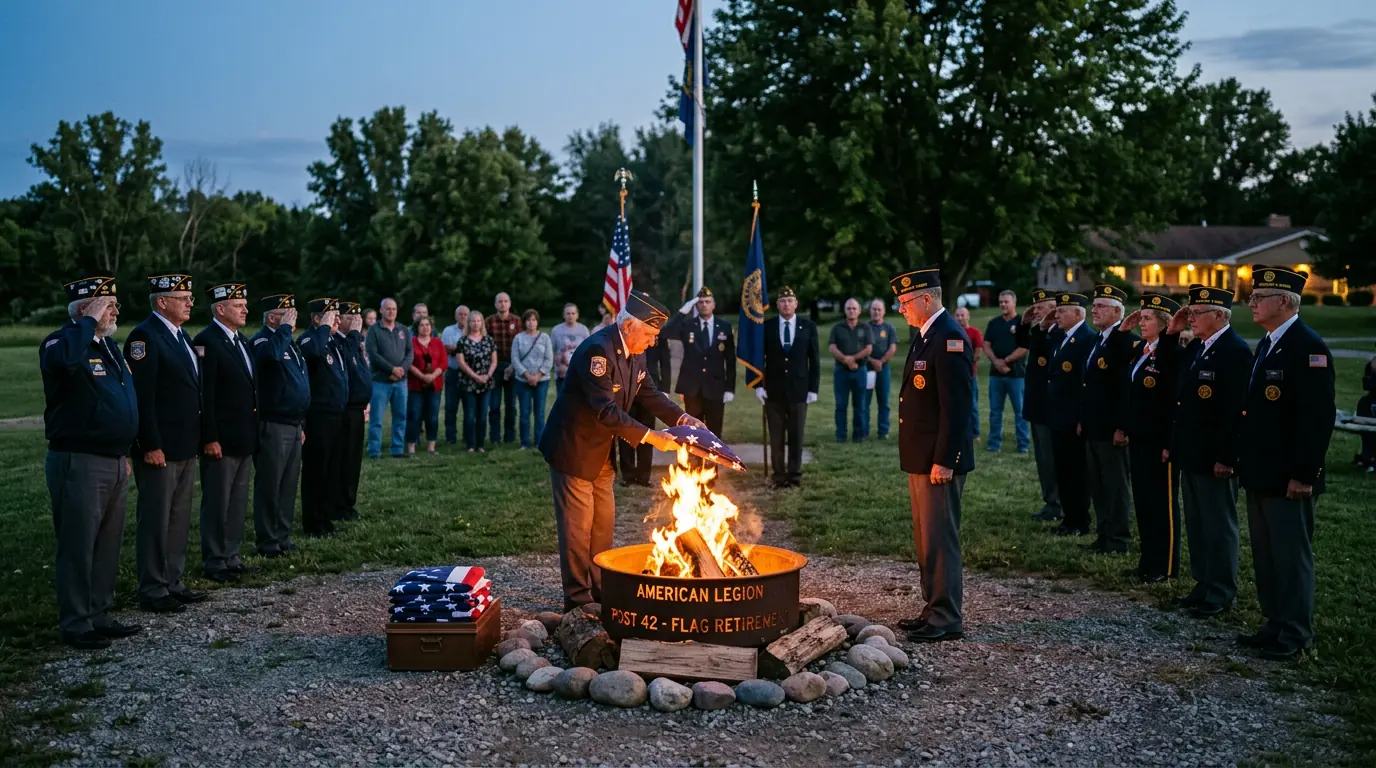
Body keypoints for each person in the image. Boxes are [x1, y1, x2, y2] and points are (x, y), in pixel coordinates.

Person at [538, 289, 703, 610]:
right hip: (574, 450)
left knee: (603, 524)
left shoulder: (635, 350)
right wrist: (655, 438)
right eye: (651, 334)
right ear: (629, 327)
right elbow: (605, 411)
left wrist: (682, 418)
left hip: (601, 454)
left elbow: (649, 392)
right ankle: (577, 599)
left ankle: (601, 588)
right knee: (577, 529)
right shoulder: (596, 353)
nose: (654, 342)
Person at [1236, 266, 1335, 660]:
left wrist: (1303, 474)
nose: (1252, 303)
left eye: (1260, 297)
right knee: (1266, 554)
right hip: (1262, 471)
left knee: (1291, 557)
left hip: (1287, 476)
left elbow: (1316, 418)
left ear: (1285, 301)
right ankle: (1275, 622)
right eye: (1253, 296)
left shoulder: (1306, 347)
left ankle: (1296, 633)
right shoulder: (1269, 344)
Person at [41, 276, 141, 649]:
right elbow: (63, 361)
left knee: (107, 543)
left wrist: (125, 449)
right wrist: (85, 324)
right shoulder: (61, 341)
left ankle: (99, 612)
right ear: (84, 308)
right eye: (107, 304)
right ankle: (76, 622)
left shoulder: (109, 346)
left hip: (114, 458)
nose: (114, 309)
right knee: (79, 543)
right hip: (79, 460)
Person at [889, 266, 974, 643]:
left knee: (941, 538)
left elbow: (957, 408)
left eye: (905, 302)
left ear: (927, 298)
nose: (900, 309)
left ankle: (946, 616)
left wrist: (946, 459)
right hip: (921, 457)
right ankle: (932, 608)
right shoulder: (927, 335)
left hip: (938, 460)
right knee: (926, 539)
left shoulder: (949, 338)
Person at [1160, 283, 1250, 619]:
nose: (1191, 318)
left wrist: (1227, 457)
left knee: (1218, 524)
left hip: (1215, 456)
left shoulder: (1234, 351)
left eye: (1197, 313)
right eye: (1190, 312)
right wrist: (1172, 332)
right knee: (1197, 523)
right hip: (1192, 453)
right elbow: (1170, 370)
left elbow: (1235, 411)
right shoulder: (1200, 347)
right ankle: (1203, 582)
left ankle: (1222, 590)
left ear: (1219, 315)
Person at [125, 273, 207, 613]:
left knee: (177, 518)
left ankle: (172, 580)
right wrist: (150, 443)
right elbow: (143, 398)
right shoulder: (144, 337)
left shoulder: (180, 335)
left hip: (184, 444)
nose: (190, 302)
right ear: (161, 301)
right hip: (161, 447)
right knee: (156, 519)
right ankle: (153, 587)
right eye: (182, 297)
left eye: (189, 296)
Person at [1113, 294, 1186, 583]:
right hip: (1140, 438)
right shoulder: (1142, 351)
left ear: (1164, 323)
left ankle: (1165, 565)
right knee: (1143, 501)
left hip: (1159, 442)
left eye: (1147, 318)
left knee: (1162, 504)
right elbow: (1114, 360)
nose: (1140, 323)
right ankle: (1148, 560)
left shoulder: (1171, 354)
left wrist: (1170, 443)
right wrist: (1122, 329)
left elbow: (1172, 402)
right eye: (1140, 318)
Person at [192, 283, 259, 583]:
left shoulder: (240, 341)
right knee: (218, 502)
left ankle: (231, 555)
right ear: (220, 309)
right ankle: (215, 559)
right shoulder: (207, 341)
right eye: (238, 304)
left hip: (243, 437)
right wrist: (210, 437)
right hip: (221, 439)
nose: (245, 308)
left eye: (244, 303)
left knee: (236, 502)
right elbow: (205, 395)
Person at [250, 294, 308, 557]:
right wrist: (283, 329)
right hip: (273, 424)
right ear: (273, 317)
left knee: (287, 485)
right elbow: (270, 357)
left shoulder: (290, 343)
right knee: (270, 484)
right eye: (288, 314)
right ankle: (267, 540)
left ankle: (283, 535)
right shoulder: (264, 340)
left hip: (294, 424)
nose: (293, 319)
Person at [1079, 285, 1135, 555]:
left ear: (1117, 311)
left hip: (1112, 427)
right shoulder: (1097, 339)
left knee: (1115, 485)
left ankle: (1118, 538)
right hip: (1094, 425)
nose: (1094, 309)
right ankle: (1103, 535)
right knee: (1098, 484)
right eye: (1094, 305)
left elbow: (1125, 388)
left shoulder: (1125, 341)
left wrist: (1122, 427)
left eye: (1100, 305)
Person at [1042, 292, 1096, 537]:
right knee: (1062, 468)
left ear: (1078, 314)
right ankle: (1068, 517)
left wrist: (1081, 417)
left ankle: (1079, 520)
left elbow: (1084, 383)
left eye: (1063, 311)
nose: (1057, 315)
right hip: (1057, 414)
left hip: (1072, 416)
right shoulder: (1060, 337)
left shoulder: (1086, 339)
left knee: (1076, 471)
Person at [760, 286, 821, 488]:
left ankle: (794, 475)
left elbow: (814, 359)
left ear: (796, 304)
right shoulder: (767, 326)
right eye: (782, 301)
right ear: (777, 305)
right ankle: (778, 476)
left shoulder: (808, 326)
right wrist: (759, 386)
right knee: (776, 437)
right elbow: (759, 358)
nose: (786, 304)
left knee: (796, 436)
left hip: (799, 390)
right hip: (774, 390)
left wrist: (813, 388)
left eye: (790, 301)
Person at [298, 299, 348, 536]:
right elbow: (312, 353)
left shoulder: (331, 341)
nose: (336, 320)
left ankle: (326, 518)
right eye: (330, 316)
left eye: (337, 316)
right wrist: (324, 328)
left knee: (331, 470)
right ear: (317, 319)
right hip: (318, 416)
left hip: (335, 414)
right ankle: (314, 522)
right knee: (316, 471)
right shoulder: (311, 338)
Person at [663, 286, 736, 437]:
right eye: (700, 302)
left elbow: (730, 360)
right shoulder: (688, 325)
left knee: (715, 431)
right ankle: (694, 461)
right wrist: (682, 312)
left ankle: (713, 461)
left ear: (713, 305)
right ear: (696, 306)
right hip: (692, 388)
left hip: (715, 387)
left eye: (707, 301)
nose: (704, 305)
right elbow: (665, 332)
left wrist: (730, 388)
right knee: (693, 434)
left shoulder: (724, 326)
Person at [1019, 289, 1063, 520]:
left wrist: (1041, 328)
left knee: (1052, 458)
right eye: (1034, 307)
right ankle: (1050, 500)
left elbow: (1040, 347)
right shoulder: (1039, 331)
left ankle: (1058, 503)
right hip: (1037, 407)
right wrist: (1025, 323)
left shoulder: (1059, 334)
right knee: (1043, 459)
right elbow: (1023, 343)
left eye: (1041, 307)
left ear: (1054, 309)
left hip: (1051, 409)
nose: (1036, 311)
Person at [620, 331, 673, 486]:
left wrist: (665, 388)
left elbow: (665, 362)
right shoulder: (628, 333)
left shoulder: (659, 334)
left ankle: (644, 475)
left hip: (651, 389)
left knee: (648, 431)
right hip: (627, 388)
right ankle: (628, 475)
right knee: (626, 432)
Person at [364, 298, 412, 458]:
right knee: (376, 419)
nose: (391, 311)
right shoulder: (374, 330)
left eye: (394, 309)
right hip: (380, 381)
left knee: (400, 416)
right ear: (381, 310)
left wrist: (401, 370)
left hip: (401, 381)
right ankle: (374, 451)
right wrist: (391, 369)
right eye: (388, 309)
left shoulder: (403, 330)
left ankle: (397, 449)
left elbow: (409, 352)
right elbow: (373, 354)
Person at [983, 290, 1030, 453]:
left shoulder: (1022, 323)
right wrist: (996, 362)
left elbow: (1025, 347)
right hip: (995, 375)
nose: (1003, 304)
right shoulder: (994, 323)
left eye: (1006, 302)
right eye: (1001, 301)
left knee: (1020, 411)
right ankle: (994, 443)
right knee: (995, 411)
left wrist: (1006, 360)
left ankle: (1023, 444)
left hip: (1016, 374)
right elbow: (986, 345)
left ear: (1014, 303)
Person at [336, 302, 369, 521]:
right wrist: (355, 335)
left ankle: (349, 502)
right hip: (345, 409)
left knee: (354, 459)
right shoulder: (340, 341)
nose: (356, 321)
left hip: (358, 408)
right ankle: (340, 504)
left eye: (358, 317)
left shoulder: (354, 341)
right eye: (351, 317)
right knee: (344, 459)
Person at [828, 298, 873, 442]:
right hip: (841, 371)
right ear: (845, 310)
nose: (851, 311)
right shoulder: (837, 328)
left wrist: (852, 359)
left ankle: (858, 436)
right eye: (849, 308)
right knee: (841, 405)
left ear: (859, 311)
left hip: (860, 371)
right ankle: (841, 436)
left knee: (860, 405)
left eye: (854, 308)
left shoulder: (865, 328)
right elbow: (832, 347)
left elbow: (868, 348)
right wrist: (845, 360)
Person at [512, 309, 554, 450]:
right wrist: (527, 375)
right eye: (528, 320)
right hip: (522, 381)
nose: (531, 323)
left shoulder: (545, 338)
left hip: (541, 381)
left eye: (534, 320)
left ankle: (539, 441)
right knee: (524, 412)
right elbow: (515, 360)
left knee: (540, 412)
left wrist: (537, 375)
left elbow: (549, 359)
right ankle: (524, 442)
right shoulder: (518, 338)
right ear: (524, 322)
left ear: (537, 322)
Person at [457, 310, 498, 453]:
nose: (476, 324)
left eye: (479, 321)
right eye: (473, 321)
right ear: (468, 323)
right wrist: (475, 376)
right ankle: (470, 445)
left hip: (486, 383)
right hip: (468, 383)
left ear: (482, 323)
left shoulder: (489, 340)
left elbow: (494, 361)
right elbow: (461, 363)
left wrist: (488, 375)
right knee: (469, 415)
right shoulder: (463, 341)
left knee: (482, 416)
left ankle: (480, 445)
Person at [406, 316, 446, 455]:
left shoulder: (437, 342)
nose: (425, 327)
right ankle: (411, 447)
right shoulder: (411, 342)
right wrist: (422, 376)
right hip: (415, 385)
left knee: (432, 416)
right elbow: (408, 362)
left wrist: (433, 376)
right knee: (414, 415)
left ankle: (431, 447)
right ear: (417, 328)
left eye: (428, 324)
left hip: (434, 385)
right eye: (422, 325)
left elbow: (443, 362)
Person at [486, 292, 520, 446]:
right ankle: (494, 437)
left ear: (510, 303)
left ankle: (510, 436)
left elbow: (521, 346)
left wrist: (513, 366)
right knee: (494, 405)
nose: (503, 304)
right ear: (495, 304)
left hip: (513, 365)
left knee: (511, 405)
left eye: (506, 301)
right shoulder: (489, 322)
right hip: (494, 366)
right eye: (500, 301)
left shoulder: (517, 322)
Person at [864, 299, 900, 440]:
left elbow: (892, 348)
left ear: (884, 311)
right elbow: (861, 348)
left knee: (883, 401)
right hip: (867, 369)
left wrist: (881, 362)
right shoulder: (865, 327)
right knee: (865, 401)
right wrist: (872, 361)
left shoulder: (889, 328)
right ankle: (864, 431)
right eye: (874, 309)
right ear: (870, 311)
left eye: (879, 309)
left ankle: (883, 431)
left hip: (883, 369)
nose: (876, 312)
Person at [441, 305, 470, 445]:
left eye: (465, 314)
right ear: (455, 316)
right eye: (460, 314)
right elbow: (444, 348)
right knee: (451, 406)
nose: (463, 317)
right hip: (452, 372)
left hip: (468, 373)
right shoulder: (448, 330)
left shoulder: (473, 330)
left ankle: (467, 435)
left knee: (468, 406)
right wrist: (463, 349)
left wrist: (456, 349)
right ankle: (450, 437)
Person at [954, 306, 983, 440]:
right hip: (954, 376)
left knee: (972, 406)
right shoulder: (952, 333)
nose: (960, 318)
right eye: (957, 316)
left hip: (970, 375)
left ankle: (975, 433)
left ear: (968, 316)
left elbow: (977, 354)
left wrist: (964, 359)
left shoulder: (974, 333)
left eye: (962, 315)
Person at [551, 303, 590, 390]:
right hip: (562, 374)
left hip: (579, 374)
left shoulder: (583, 330)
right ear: (564, 315)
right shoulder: (556, 330)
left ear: (577, 315)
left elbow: (588, 351)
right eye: (568, 313)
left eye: (573, 313)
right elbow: (550, 351)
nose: (570, 316)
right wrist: (559, 365)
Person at [1359, 343, 1376, 471]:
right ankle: (1368, 456)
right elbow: (1367, 385)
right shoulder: (1371, 365)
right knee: (1364, 403)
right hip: (1372, 401)